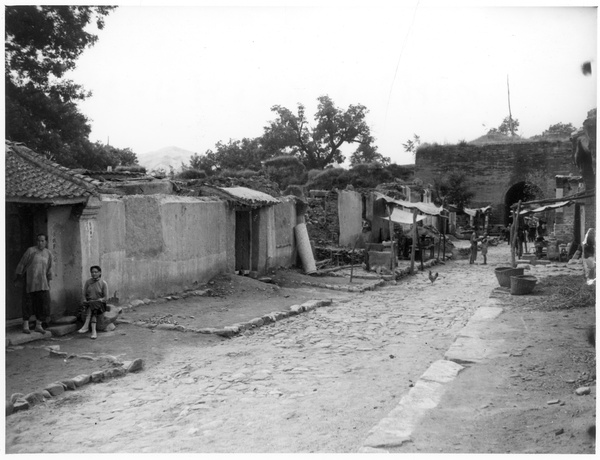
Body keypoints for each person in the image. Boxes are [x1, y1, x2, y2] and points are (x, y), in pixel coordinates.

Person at [14, 234, 53, 334]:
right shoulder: (31, 251)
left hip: (43, 283)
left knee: (44, 304)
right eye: (39, 241)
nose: (40, 243)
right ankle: (25, 326)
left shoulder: (48, 253)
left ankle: (38, 325)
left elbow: (49, 268)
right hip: (30, 282)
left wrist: (48, 279)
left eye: (43, 241)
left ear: (46, 242)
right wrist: (18, 277)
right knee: (28, 303)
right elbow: (22, 264)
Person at [78, 265, 109, 339]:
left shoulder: (103, 283)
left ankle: (87, 327)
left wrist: (100, 300)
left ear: (100, 273)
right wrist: (85, 300)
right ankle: (93, 332)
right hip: (90, 303)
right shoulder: (88, 282)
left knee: (94, 305)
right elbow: (84, 294)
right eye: (92, 272)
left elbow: (106, 297)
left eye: (96, 272)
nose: (94, 274)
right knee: (92, 305)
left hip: (100, 304)